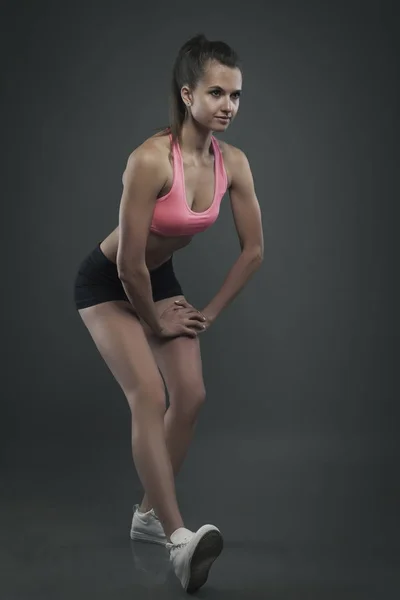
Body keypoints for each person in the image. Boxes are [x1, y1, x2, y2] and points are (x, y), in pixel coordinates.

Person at [73, 33, 264, 593]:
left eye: (236, 95)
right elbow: (129, 264)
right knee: (149, 396)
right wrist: (155, 323)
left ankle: (146, 517)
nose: (229, 105)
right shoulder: (150, 160)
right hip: (108, 282)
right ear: (187, 95)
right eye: (216, 93)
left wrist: (204, 313)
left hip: (158, 281)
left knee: (192, 396)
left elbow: (253, 251)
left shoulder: (235, 164)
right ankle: (179, 539)